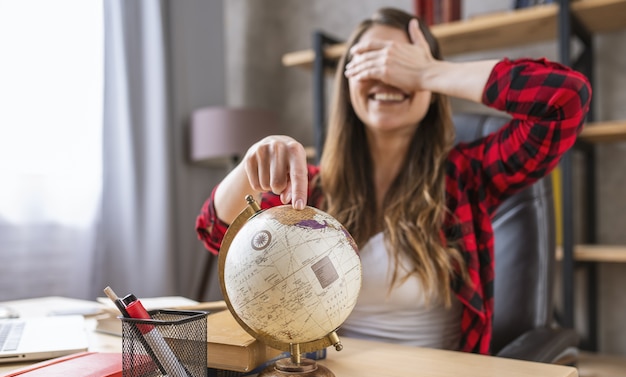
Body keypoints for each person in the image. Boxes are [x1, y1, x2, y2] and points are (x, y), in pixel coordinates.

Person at [196, 7, 591, 354]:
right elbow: (216, 233)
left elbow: (566, 99)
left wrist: (429, 72)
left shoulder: (467, 177)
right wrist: (250, 169)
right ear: (347, 81)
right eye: (370, 61)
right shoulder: (309, 193)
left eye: (400, 62)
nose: (387, 76)